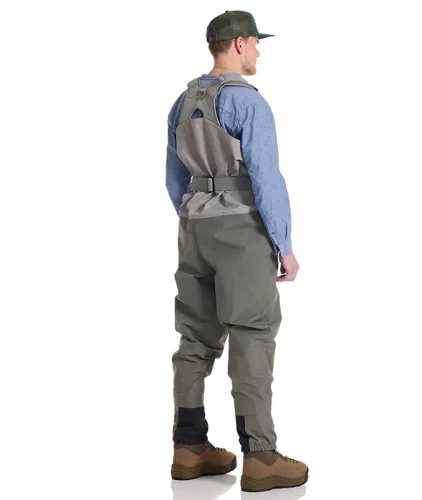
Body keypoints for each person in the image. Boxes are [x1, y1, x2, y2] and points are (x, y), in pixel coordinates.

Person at [165, 10, 308, 493]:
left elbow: (173, 177)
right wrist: (284, 244)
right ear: (240, 43)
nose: (259, 51)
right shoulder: (248, 102)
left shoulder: (183, 102)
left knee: (194, 337)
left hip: (193, 228)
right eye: (256, 43)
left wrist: (196, 219)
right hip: (242, 229)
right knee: (252, 333)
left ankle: (189, 447)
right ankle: (261, 456)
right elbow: (266, 177)